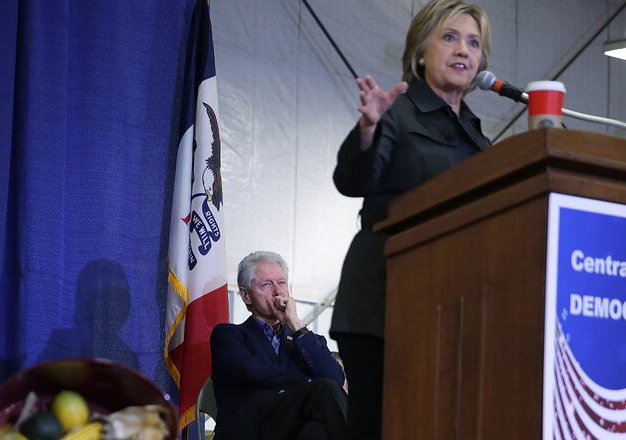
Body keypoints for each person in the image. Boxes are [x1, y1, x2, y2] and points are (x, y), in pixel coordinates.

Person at [329, 1, 492, 438]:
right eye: (450, 37)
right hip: (382, 303)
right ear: (421, 51)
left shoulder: (479, 138)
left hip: (450, 307)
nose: (464, 50)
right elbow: (352, 179)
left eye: (474, 43)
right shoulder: (394, 114)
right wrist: (367, 131)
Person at [211, 251, 347, 440]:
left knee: (316, 432)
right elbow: (251, 370)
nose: (277, 291)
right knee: (322, 389)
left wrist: (296, 325)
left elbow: (336, 379)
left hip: (294, 430)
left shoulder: (306, 340)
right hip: (249, 429)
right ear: (245, 295)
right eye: (266, 284)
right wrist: (309, 384)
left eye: (281, 283)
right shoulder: (228, 335)